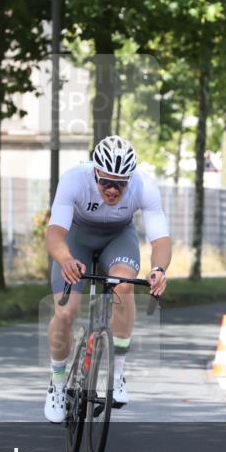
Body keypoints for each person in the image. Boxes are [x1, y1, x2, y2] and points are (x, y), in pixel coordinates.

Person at [44, 135, 172, 422]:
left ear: (130, 179)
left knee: (123, 286)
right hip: (77, 238)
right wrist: (65, 259)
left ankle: (118, 375)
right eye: (106, 182)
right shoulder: (74, 179)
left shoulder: (144, 185)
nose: (113, 190)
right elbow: (55, 232)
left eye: (121, 184)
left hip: (118, 238)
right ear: (95, 172)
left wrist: (159, 269)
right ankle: (57, 384)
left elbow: (160, 239)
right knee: (65, 313)